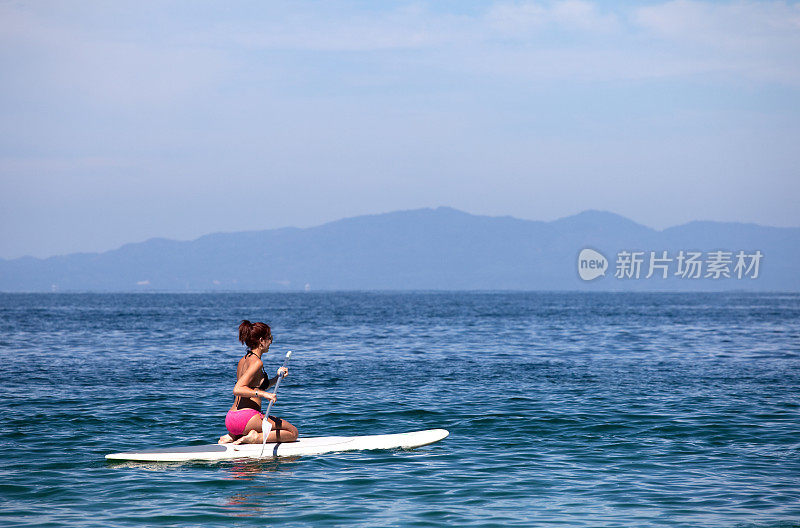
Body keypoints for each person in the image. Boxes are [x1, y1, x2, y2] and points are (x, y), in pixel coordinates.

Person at [218, 320, 299, 445]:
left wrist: (277, 378)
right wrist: (264, 394)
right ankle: (255, 437)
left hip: (231, 419)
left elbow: (254, 386)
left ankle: (233, 436)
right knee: (293, 432)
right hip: (247, 419)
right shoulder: (257, 362)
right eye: (269, 338)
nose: (271, 341)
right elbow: (238, 389)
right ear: (261, 340)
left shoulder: (243, 360)